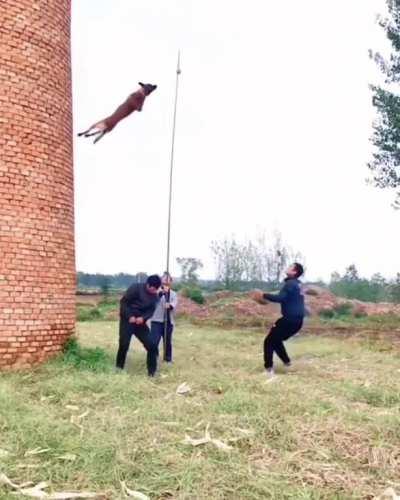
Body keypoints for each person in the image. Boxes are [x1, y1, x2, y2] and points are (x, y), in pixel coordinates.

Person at [252, 263, 305, 378]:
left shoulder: (290, 283)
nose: (287, 267)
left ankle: (268, 369)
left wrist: (264, 295)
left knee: (269, 341)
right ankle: (287, 363)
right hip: (298, 321)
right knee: (276, 339)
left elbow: (281, 298)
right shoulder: (298, 284)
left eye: (290, 266)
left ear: (294, 272)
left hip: (289, 320)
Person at [78, 82, 157, 143]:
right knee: (107, 123)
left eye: (142, 88)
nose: (139, 89)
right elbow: (137, 106)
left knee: (107, 122)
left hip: (115, 117)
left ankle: (91, 133)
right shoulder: (138, 95)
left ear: (143, 90)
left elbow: (136, 106)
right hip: (116, 116)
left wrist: (135, 103)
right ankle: (92, 133)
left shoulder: (140, 96)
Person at [116, 274, 161, 376]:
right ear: (148, 285)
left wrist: (143, 318)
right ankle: (119, 367)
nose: (155, 291)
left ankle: (152, 372)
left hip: (140, 323)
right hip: (127, 321)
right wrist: (130, 316)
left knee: (152, 345)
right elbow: (124, 303)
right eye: (154, 289)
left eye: (156, 289)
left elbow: (151, 310)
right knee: (124, 344)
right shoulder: (135, 288)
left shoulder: (154, 296)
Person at [150, 273, 178, 364]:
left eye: (168, 279)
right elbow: (153, 301)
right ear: (161, 280)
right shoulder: (156, 291)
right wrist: (162, 293)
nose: (166, 281)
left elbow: (173, 305)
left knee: (167, 341)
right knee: (154, 341)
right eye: (164, 279)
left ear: (171, 281)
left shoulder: (173, 294)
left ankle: (168, 359)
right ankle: (154, 357)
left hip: (168, 321)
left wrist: (169, 305)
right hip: (156, 321)